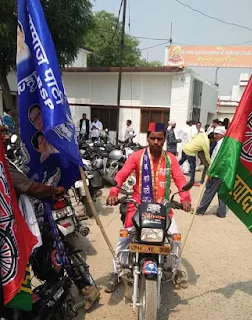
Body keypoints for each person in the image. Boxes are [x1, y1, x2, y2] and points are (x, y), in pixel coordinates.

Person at [0, 126, 100, 309]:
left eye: (6, 133)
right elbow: (29, 186)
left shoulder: (8, 162)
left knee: (54, 252)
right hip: (15, 227)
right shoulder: (5, 162)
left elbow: (29, 186)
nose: (6, 137)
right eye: (2, 134)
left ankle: (84, 288)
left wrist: (53, 190)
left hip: (30, 220)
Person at [105, 122, 192, 293]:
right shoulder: (137, 156)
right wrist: (113, 192)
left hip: (163, 207)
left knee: (176, 238)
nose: (156, 142)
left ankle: (177, 269)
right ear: (147, 138)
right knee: (123, 239)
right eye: (153, 138)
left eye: (160, 139)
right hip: (138, 206)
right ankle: (116, 272)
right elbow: (122, 174)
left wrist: (185, 198)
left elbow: (180, 180)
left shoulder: (171, 159)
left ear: (164, 140)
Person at [196, 126, 227, 217]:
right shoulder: (223, 144)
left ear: (222, 134)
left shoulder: (220, 145)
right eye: (214, 133)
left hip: (216, 172)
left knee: (209, 191)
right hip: (222, 172)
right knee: (221, 192)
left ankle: (200, 210)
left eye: (217, 134)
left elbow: (216, 160)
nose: (215, 135)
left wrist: (210, 172)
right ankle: (221, 212)